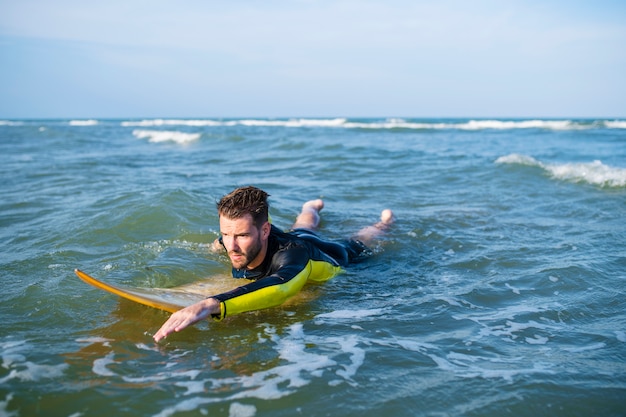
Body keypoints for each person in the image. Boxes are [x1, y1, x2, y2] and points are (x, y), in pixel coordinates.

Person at [153, 186, 394, 342]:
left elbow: (280, 287)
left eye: (243, 236)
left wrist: (210, 305)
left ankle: (384, 222)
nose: (232, 246)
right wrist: (216, 245)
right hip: (293, 236)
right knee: (304, 224)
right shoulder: (236, 237)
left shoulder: (293, 258)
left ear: (264, 230)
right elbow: (230, 238)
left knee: (361, 238)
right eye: (226, 235)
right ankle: (311, 206)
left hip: (334, 253)